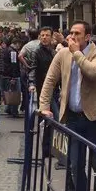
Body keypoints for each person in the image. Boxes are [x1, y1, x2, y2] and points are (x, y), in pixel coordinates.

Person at [40, 21, 96, 191]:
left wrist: (77, 53)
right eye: (71, 32)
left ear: (87, 37)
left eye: (77, 33)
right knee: (75, 165)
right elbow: (50, 80)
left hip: (94, 118)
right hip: (72, 117)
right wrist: (44, 106)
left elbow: (94, 73)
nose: (72, 36)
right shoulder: (62, 54)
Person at [28, 27, 58, 157]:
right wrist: (31, 83)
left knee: (51, 119)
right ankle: (47, 149)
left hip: (55, 89)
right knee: (51, 118)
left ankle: (50, 148)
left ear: (51, 37)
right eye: (42, 35)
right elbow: (33, 68)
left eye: (47, 35)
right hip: (44, 90)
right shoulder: (37, 52)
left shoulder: (53, 51)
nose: (44, 37)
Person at [3, 38, 23, 118]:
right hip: (13, 75)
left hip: (7, 75)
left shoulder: (6, 50)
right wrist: (13, 77)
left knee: (11, 92)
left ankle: (9, 109)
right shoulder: (13, 52)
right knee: (16, 93)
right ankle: (14, 111)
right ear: (17, 43)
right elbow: (14, 64)